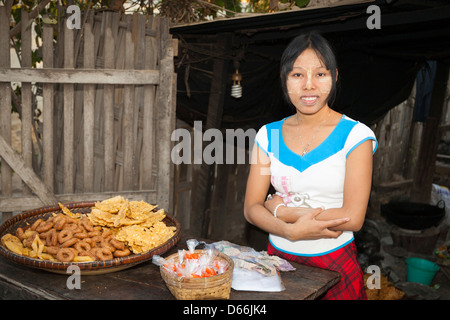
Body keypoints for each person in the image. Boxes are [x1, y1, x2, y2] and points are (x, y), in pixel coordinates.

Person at [243, 31, 378, 300]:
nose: (308, 85)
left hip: (334, 262)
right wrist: (288, 230)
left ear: (335, 77)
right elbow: (250, 208)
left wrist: (282, 210)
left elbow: (353, 217)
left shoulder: (356, 136)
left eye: (320, 74)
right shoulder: (267, 136)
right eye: (297, 74)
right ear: (284, 79)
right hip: (277, 260)